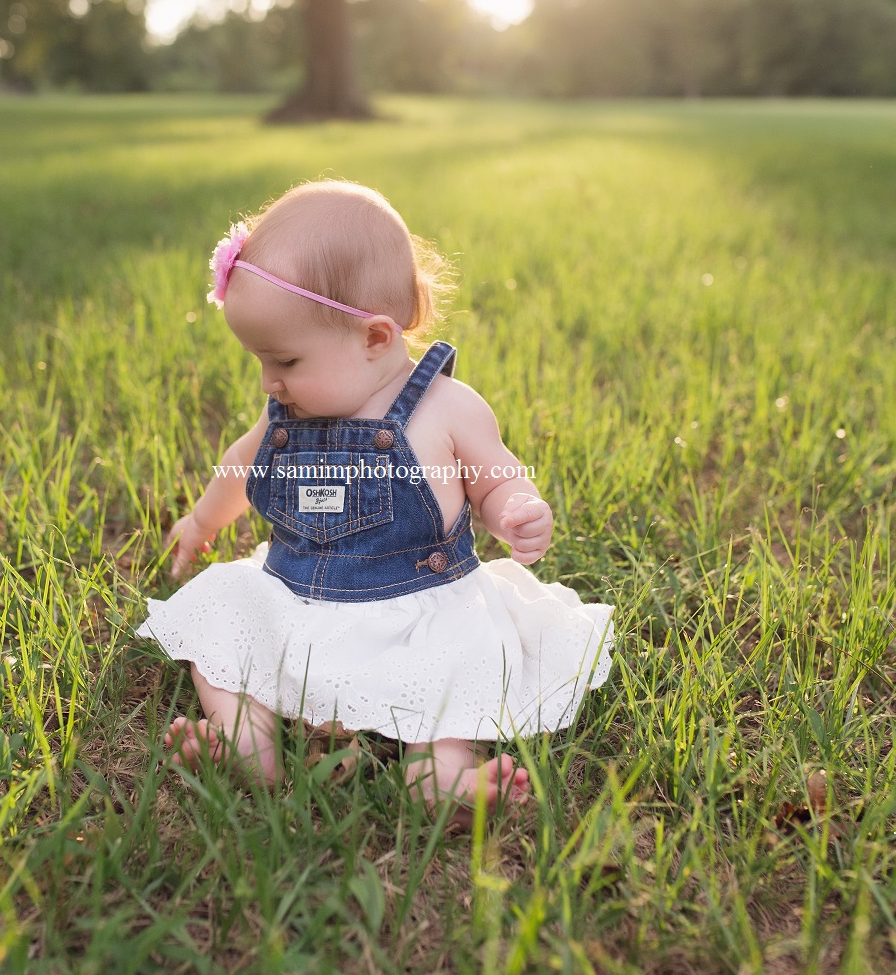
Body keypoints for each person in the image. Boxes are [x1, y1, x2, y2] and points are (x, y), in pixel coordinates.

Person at [136, 179, 614, 822]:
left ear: (376, 338)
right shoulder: (284, 410)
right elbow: (238, 468)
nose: (270, 381)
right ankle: (243, 738)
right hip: (295, 597)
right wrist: (200, 520)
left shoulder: (447, 408)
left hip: (418, 607)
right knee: (224, 621)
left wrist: (515, 509)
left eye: (285, 359)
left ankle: (440, 773)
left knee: (452, 670)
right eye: (259, 362)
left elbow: (498, 476)